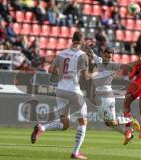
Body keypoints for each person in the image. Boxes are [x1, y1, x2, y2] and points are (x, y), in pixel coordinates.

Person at [31, 31, 94, 159]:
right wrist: (94, 72)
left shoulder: (62, 53)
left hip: (60, 90)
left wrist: (63, 75)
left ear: (72, 40)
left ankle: (41, 128)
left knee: (65, 124)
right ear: (82, 42)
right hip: (74, 91)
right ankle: (75, 152)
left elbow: (50, 70)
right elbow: (85, 76)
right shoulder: (82, 55)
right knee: (83, 122)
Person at [90, 47, 141, 133]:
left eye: (109, 57)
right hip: (99, 96)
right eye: (105, 56)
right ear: (102, 54)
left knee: (112, 122)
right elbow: (91, 53)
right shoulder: (98, 60)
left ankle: (130, 120)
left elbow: (126, 65)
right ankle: (127, 133)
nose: (106, 59)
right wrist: (83, 45)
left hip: (106, 96)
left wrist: (138, 62)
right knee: (108, 123)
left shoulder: (113, 66)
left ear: (112, 57)